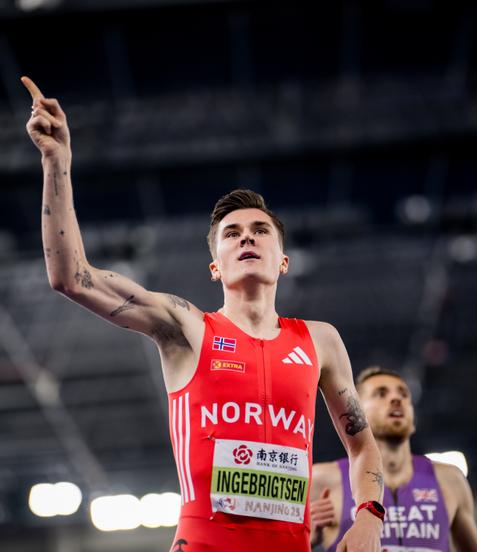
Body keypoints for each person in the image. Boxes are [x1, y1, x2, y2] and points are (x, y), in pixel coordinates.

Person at [21, 76, 384, 552]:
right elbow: (71, 276)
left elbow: (362, 444)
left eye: (259, 231)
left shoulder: (320, 341)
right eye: (232, 234)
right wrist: (56, 162)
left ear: (283, 260)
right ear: (215, 267)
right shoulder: (187, 327)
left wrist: (369, 517)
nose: (247, 238)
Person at [310, 367, 477, 551]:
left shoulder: (450, 479)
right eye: (381, 394)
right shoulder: (323, 480)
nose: (396, 399)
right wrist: (309, 541)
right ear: (357, 408)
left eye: (403, 394)